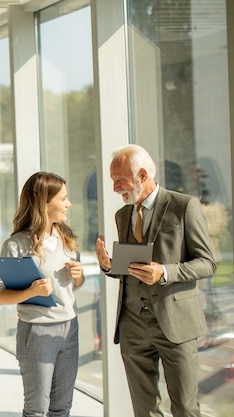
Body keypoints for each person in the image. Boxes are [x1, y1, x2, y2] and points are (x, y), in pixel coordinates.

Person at [95, 144, 216, 417]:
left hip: (176, 323)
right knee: (144, 410)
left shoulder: (185, 206)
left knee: (185, 408)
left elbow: (207, 263)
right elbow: (130, 267)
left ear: (142, 175)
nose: (115, 188)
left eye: (119, 180)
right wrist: (109, 266)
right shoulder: (122, 215)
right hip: (132, 325)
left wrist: (164, 271)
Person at [0, 172, 84, 416]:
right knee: (37, 410)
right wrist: (31, 291)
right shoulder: (17, 245)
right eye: (63, 199)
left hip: (70, 328)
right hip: (37, 332)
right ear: (44, 203)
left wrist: (79, 276)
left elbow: (74, 286)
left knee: (62, 407)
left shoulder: (68, 239)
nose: (68, 204)